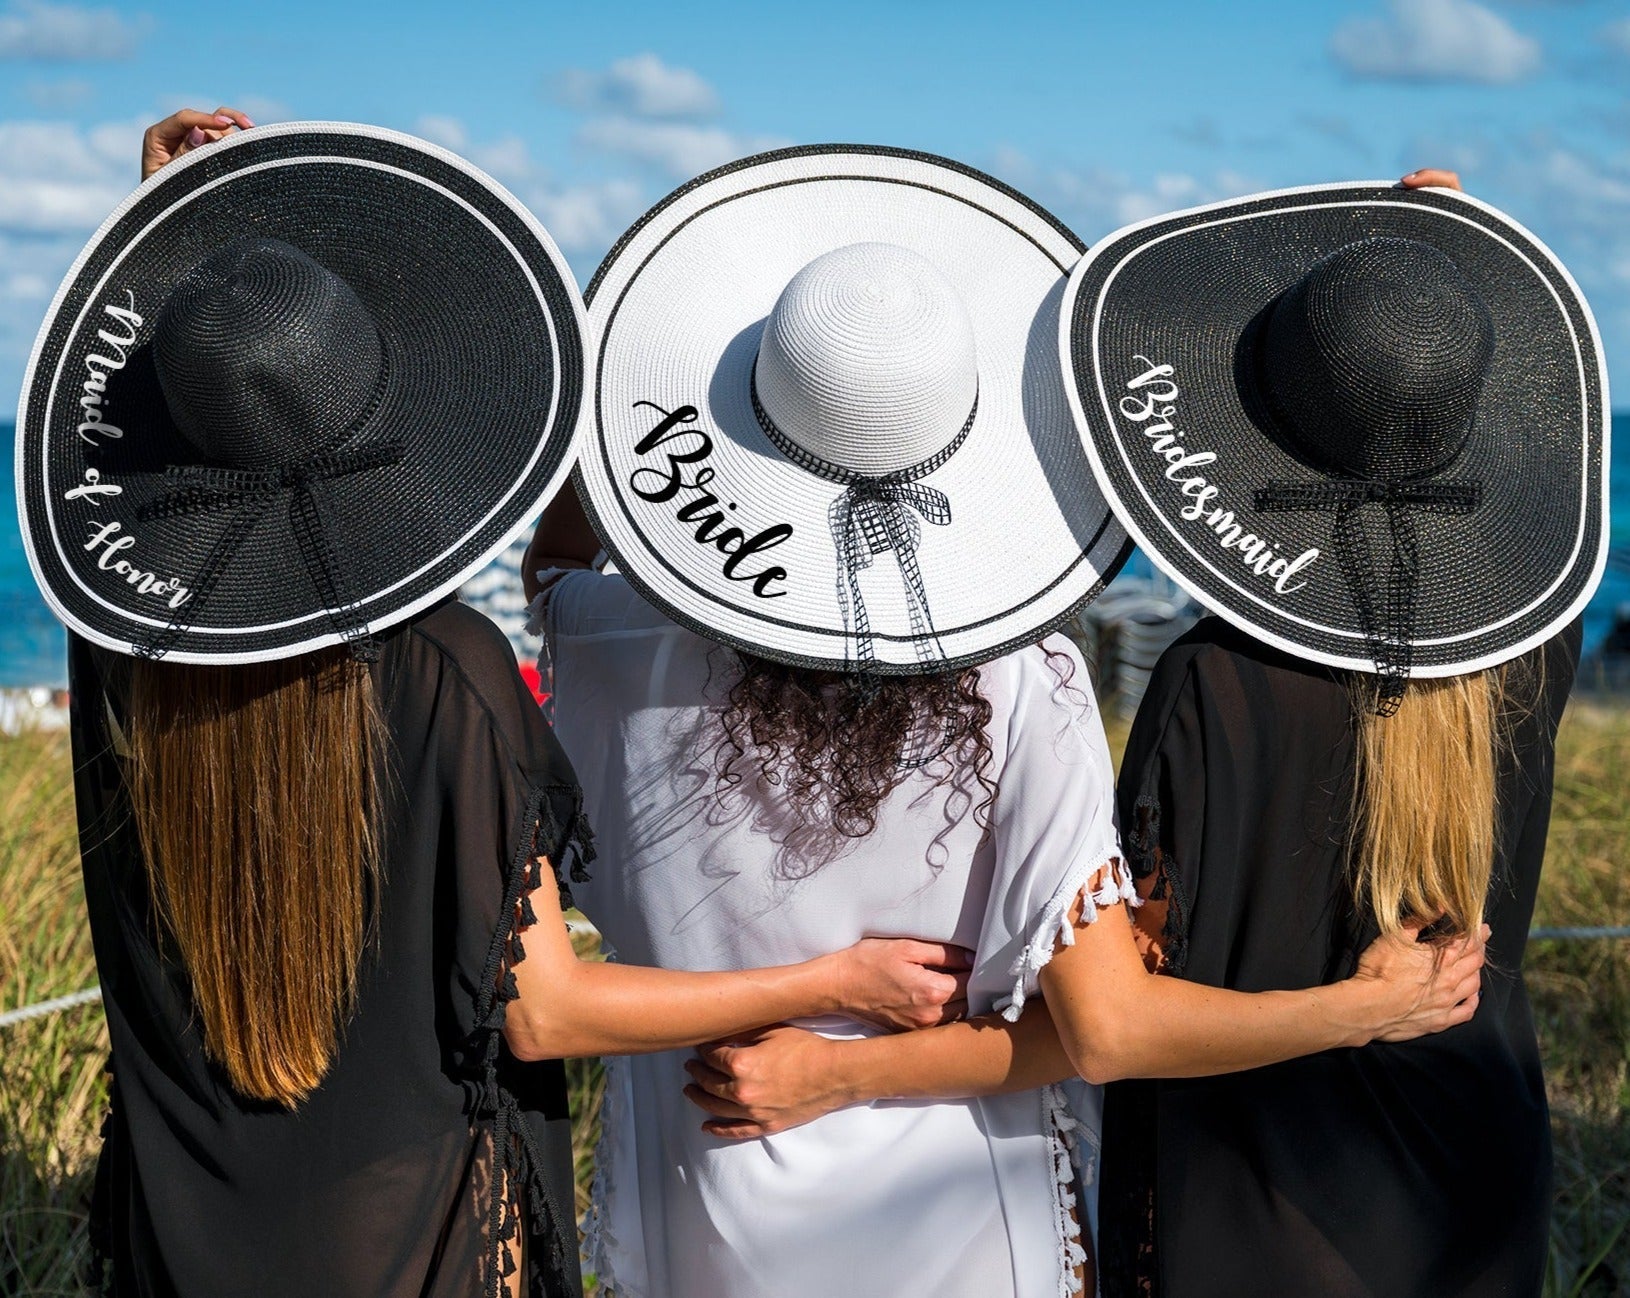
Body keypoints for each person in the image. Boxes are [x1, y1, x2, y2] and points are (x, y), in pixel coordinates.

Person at [22, 120, 967, 1298]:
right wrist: (831, 984)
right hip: (424, 1246)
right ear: (395, 414)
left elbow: (190, 423)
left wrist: (179, 238)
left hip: (185, 1249)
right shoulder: (450, 669)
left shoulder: (120, 650)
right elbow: (545, 1014)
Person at [526, 146, 1486, 1298]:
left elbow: (560, 552)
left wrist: (639, 375)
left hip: (698, 1216)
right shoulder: (1019, 680)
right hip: (965, 1229)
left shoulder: (598, 640)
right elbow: (1100, 1024)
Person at [1057, 176, 1607, 1297]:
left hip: (1253, 1202)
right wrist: (1426, 274)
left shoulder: (1210, 680)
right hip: (1471, 1185)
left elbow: (1137, 980)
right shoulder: (1533, 645)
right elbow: (1412, 359)